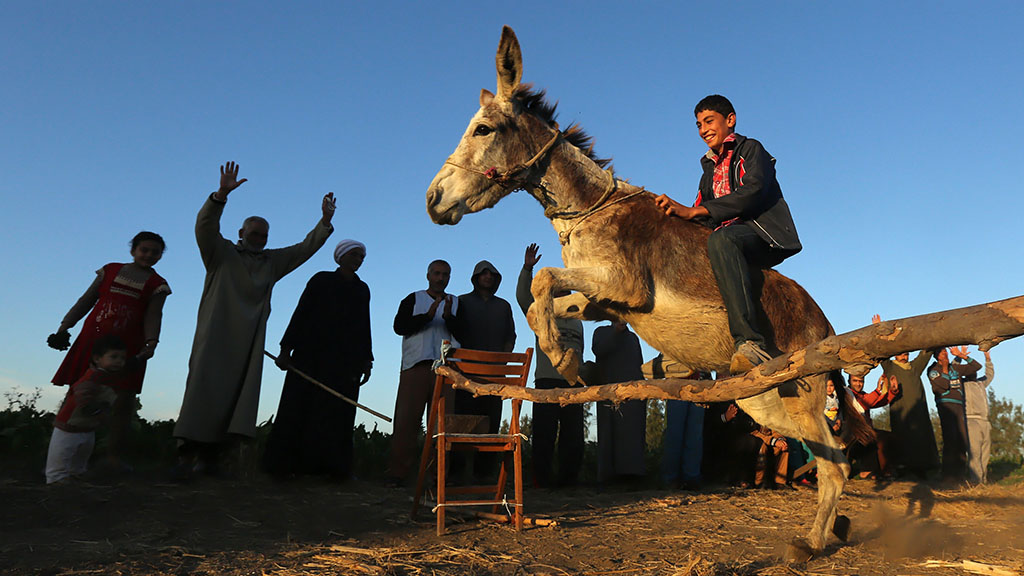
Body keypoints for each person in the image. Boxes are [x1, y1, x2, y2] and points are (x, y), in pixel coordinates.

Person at [173, 161, 334, 476]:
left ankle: (216, 457)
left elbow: (305, 248)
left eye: (263, 234)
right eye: (254, 233)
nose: (259, 238)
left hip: (250, 341)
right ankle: (186, 453)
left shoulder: (271, 262)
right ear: (241, 233)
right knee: (202, 390)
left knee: (237, 396)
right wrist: (220, 195)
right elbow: (204, 226)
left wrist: (324, 222)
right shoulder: (220, 254)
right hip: (215, 334)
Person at [654, 95, 801, 374]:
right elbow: (697, 210)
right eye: (698, 125)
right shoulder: (708, 169)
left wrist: (695, 212)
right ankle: (680, 348)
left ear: (730, 120)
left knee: (723, 239)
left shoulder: (751, 150)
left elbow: (752, 192)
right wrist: (669, 217)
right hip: (724, 239)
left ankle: (750, 342)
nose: (703, 129)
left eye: (709, 121)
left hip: (761, 234)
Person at [48, 231, 170, 471]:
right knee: (76, 394)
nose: (148, 255)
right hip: (92, 342)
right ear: (133, 250)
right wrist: (64, 327)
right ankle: (59, 456)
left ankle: (113, 458)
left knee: (123, 401)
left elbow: (154, 315)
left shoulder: (158, 285)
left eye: (155, 252)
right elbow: (86, 300)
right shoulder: (110, 271)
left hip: (128, 349)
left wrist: (151, 343)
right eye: (144, 250)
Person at [263, 240, 373, 481]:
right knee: (299, 407)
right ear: (341, 256)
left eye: (361, 256)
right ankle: (284, 467)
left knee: (338, 413)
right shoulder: (320, 280)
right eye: (354, 255)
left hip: (346, 362)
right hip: (310, 356)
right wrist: (286, 349)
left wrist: (367, 359)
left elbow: (364, 324)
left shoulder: (362, 289)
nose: (358, 259)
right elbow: (301, 313)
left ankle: (334, 469)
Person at [384, 259, 459, 486]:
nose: (440, 278)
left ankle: (437, 477)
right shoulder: (413, 299)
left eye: (445, 274)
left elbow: (465, 332)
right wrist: (427, 316)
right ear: (428, 275)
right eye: (436, 273)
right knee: (407, 422)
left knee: (442, 425)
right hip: (416, 366)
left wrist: (448, 318)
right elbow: (399, 327)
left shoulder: (455, 302)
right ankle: (398, 474)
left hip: (446, 369)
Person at [516, 243, 585, 488]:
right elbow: (523, 297)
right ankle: (541, 481)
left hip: (574, 384)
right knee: (544, 435)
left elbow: (580, 350)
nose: (561, 290)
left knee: (574, 436)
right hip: (546, 381)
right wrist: (527, 269)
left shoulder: (577, 317)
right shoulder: (542, 311)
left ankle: (568, 481)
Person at [450, 260, 516, 480]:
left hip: (494, 376)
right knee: (462, 425)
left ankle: (484, 476)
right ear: (476, 277)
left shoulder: (503, 306)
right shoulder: (462, 302)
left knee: (491, 426)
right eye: (483, 273)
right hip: (466, 375)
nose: (487, 276)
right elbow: (453, 333)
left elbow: (510, 337)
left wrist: (502, 361)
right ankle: (457, 475)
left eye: (491, 274)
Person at [45, 335, 128, 484]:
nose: (119, 361)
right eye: (114, 357)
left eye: (122, 358)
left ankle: (74, 481)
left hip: (87, 428)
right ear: (97, 359)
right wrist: (99, 413)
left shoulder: (110, 378)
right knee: (60, 461)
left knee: (79, 462)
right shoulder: (93, 378)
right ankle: (56, 485)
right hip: (69, 426)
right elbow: (83, 399)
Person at [874, 315, 939, 479]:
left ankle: (922, 469)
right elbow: (882, 351)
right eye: (900, 353)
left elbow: (927, 352)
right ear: (896, 354)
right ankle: (903, 469)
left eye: (906, 353)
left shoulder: (914, 367)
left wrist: (933, 329)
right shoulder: (890, 367)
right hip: (900, 411)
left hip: (918, 411)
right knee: (902, 439)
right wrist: (879, 330)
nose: (904, 356)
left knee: (920, 438)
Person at [592, 320, 646, 483]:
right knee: (608, 437)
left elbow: (639, 366)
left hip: (632, 396)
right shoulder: (601, 332)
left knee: (631, 438)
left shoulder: (633, 339)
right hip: (608, 393)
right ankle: (608, 478)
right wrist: (615, 332)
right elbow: (599, 350)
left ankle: (631, 478)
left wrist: (642, 391)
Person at [928, 346, 980, 482]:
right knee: (950, 439)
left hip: (959, 405)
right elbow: (944, 385)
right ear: (936, 356)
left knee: (961, 440)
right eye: (942, 352)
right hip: (946, 406)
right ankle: (948, 476)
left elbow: (976, 367)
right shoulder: (933, 370)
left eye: (946, 351)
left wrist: (962, 356)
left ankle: (960, 475)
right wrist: (945, 368)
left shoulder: (955, 368)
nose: (945, 354)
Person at [660, 371, 709, 490]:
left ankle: (691, 478)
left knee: (694, 436)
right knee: (675, 434)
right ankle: (671, 478)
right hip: (676, 385)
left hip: (698, 386)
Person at [847, 373, 899, 478]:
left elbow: (878, 402)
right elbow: (863, 404)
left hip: (866, 430)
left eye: (861, 381)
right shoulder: (846, 394)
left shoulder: (862, 394)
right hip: (852, 432)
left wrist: (892, 392)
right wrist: (877, 390)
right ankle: (869, 471)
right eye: (855, 381)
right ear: (849, 381)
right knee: (877, 438)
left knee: (889, 437)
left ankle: (886, 469)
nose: (858, 384)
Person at [963, 349, 995, 484]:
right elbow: (954, 369)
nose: (974, 372)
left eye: (975, 370)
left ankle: (983, 480)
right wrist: (960, 357)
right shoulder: (962, 383)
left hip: (984, 421)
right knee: (974, 453)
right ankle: (976, 482)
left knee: (985, 453)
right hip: (971, 420)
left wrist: (988, 358)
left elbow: (990, 374)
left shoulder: (981, 383)